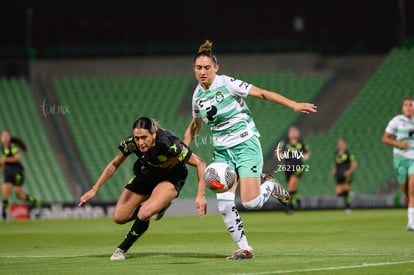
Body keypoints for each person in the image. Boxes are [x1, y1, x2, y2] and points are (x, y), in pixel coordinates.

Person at [183, 40, 317, 260]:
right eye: (199, 68)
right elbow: (195, 125)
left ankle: (269, 184)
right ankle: (245, 249)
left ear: (216, 68)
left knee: (250, 202)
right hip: (222, 152)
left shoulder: (227, 84)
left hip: (245, 144)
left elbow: (262, 93)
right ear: (194, 70)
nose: (203, 71)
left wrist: (293, 104)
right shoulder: (197, 96)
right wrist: (182, 149)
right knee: (225, 205)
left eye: (207, 67)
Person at [79, 117, 207, 260]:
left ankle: (121, 249)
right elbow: (114, 164)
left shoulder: (169, 143)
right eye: (137, 138)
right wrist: (94, 188)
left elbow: (200, 163)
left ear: (154, 133)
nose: (140, 142)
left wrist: (200, 195)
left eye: (144, 137)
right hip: (145, 175)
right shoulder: (131, 144)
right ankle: (158, 207)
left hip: (170, 178)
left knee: (144, 212)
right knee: (119, 217)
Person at [382, 98, 414, 231]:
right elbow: (385, 138)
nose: (408, 107)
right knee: (406, 190)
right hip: (400, 158)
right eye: (405, 105)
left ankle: (411, 223)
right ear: (402, 108)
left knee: (412, 189)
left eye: (410, 105)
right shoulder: (397, 121)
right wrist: (399, 144)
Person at [1, 130, 41, 221]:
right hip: (7, 173)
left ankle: (34, 201)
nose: (4, 137)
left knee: (19, 196)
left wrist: (4, 160)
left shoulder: (13, 146)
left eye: (6, 135)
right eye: (3, 136)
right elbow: (3, 163)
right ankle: (4, 215)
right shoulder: (2, 148)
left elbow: (17, 158)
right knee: (5, 193)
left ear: (9, 137)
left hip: (17, 173)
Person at [274, 126, 311, 214]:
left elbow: (308, 151)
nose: (293, 133)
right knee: (291, 186)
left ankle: (290, 206)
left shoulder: (301, 143)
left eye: (295, 131)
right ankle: (297, 198)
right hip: (287, 166)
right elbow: (277, 152)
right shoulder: (284, 142)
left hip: (298, 166)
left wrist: (305, 157)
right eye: (292, 132)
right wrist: (281, 155)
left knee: (291, 185)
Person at [330, 138, 357, 212]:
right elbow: (335, 163)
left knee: (345, 188)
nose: (340, 144)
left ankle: (348, 207)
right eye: (339, 143)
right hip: (339, 174)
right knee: (338, 193)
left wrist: (349, 171)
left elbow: (354, 164)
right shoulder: (335, 153)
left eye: (341, 143)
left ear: (345, 144)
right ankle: (349, 194)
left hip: (346, 174)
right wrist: (333, 170)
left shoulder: (348, 153)